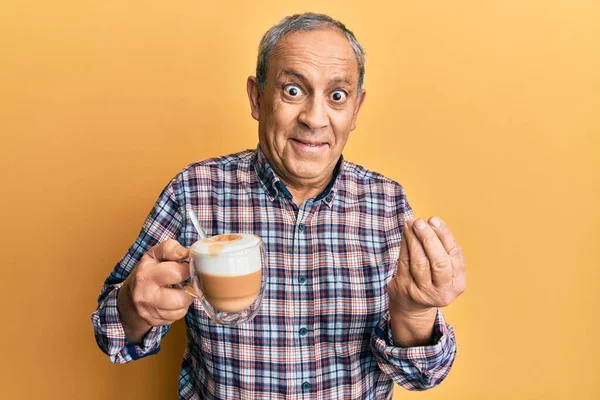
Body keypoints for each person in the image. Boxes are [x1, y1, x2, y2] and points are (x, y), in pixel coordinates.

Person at [92, 12, 466, 399]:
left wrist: (414, 313)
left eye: (337, 96)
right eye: (293, 90)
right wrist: (135, 308)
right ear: (257, 97)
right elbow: (110, 331)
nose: (315, 119)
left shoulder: (386, 203)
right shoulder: (195, 190)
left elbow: (423, 376)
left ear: (355, 109)